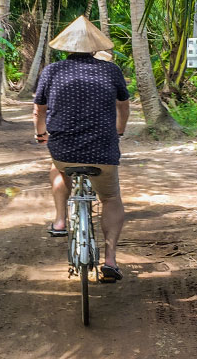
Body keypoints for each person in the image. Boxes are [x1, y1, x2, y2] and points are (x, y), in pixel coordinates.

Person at [32, 16, 130, 283]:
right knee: (110, 198)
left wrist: (41, 134)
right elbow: (123, 107)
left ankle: (60, 221)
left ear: (66, 47)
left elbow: (39, 110)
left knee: (57, 168)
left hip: (63, 148)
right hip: (103, 148)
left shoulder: (51, 71)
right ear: (94, 47)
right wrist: (119, 131)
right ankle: (110, 260)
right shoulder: (111, 71)